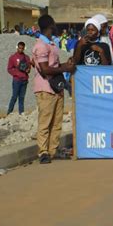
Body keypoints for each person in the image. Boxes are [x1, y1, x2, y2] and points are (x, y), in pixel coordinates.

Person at [31, 15, 76, 164]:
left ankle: (52, 151)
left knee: (56, 122)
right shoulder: (41, 45)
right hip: (45, 87)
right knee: (45, 121)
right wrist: (65, 67)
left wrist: (65, 64)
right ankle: (43, 152)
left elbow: (53, 66)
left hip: (56, 87)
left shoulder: (51, 43)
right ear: (50, 25)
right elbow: (45, 69)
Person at [7, 42, 31, 115]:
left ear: (24, 48)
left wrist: (28, 70)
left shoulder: (27, 57)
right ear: (17, 47)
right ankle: (9, 112)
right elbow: (9, 69)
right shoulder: (12, 57)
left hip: (24, 80)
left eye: (22, 48)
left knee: (22, 97)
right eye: (19, 48)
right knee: (14, 96)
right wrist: (16, 73)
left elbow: (29, 68)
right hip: (17, 80)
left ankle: (21, 112)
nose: (20, 50)